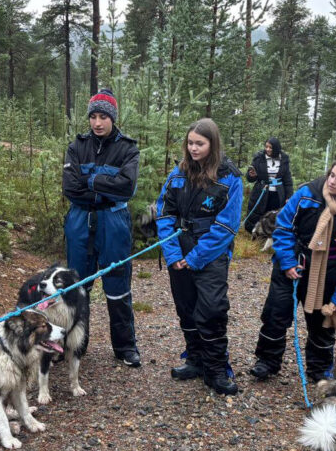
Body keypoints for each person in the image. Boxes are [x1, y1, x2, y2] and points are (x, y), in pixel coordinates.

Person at [249, 157, 336, 382]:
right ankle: (267, 361)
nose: (332, 181)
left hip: (329, 272)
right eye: (331, 175)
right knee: (276, 314)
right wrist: (287, 261)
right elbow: (283, 226)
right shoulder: (308, 194)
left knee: (322, 323)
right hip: (293, 261)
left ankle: (319, 370)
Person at [155, 118, 244, 396]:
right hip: (178, 246)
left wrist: (194, 258)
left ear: (212, 144)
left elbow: (227, 226)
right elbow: (164, 212)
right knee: (186, 308)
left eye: (200, 144)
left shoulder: (229, 177)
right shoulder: (177, 174)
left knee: (213, 309)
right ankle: (194, 359)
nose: (193, 148)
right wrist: (173, 254)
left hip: (210, 252)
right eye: (190, 143)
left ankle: (217, 368)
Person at [63, 89, 142, 367]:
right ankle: (73, 345)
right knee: (76, 286)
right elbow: (70, 188)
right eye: (93, 116)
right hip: (80, 222)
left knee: (118, 284)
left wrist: (92, 181)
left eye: (103, 117)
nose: (97, 123)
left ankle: (125, 347)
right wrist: (105, 184)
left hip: (113, 223)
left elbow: (127, 187)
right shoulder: (77, 146)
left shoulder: (128, 148)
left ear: (113, 118)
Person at [243, 137, 293, 233]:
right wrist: (251, 175)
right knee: (258, 212)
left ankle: (269, 235)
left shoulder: (284, 159)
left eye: (271, 147)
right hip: (261, 191)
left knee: (273, 216)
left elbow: (288, 181)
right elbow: (250, 178)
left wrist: (289, 196)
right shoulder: (259, 158)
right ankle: (254, 233)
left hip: (277, 194)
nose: (268, 149)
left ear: (276, 148)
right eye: (266, 147)